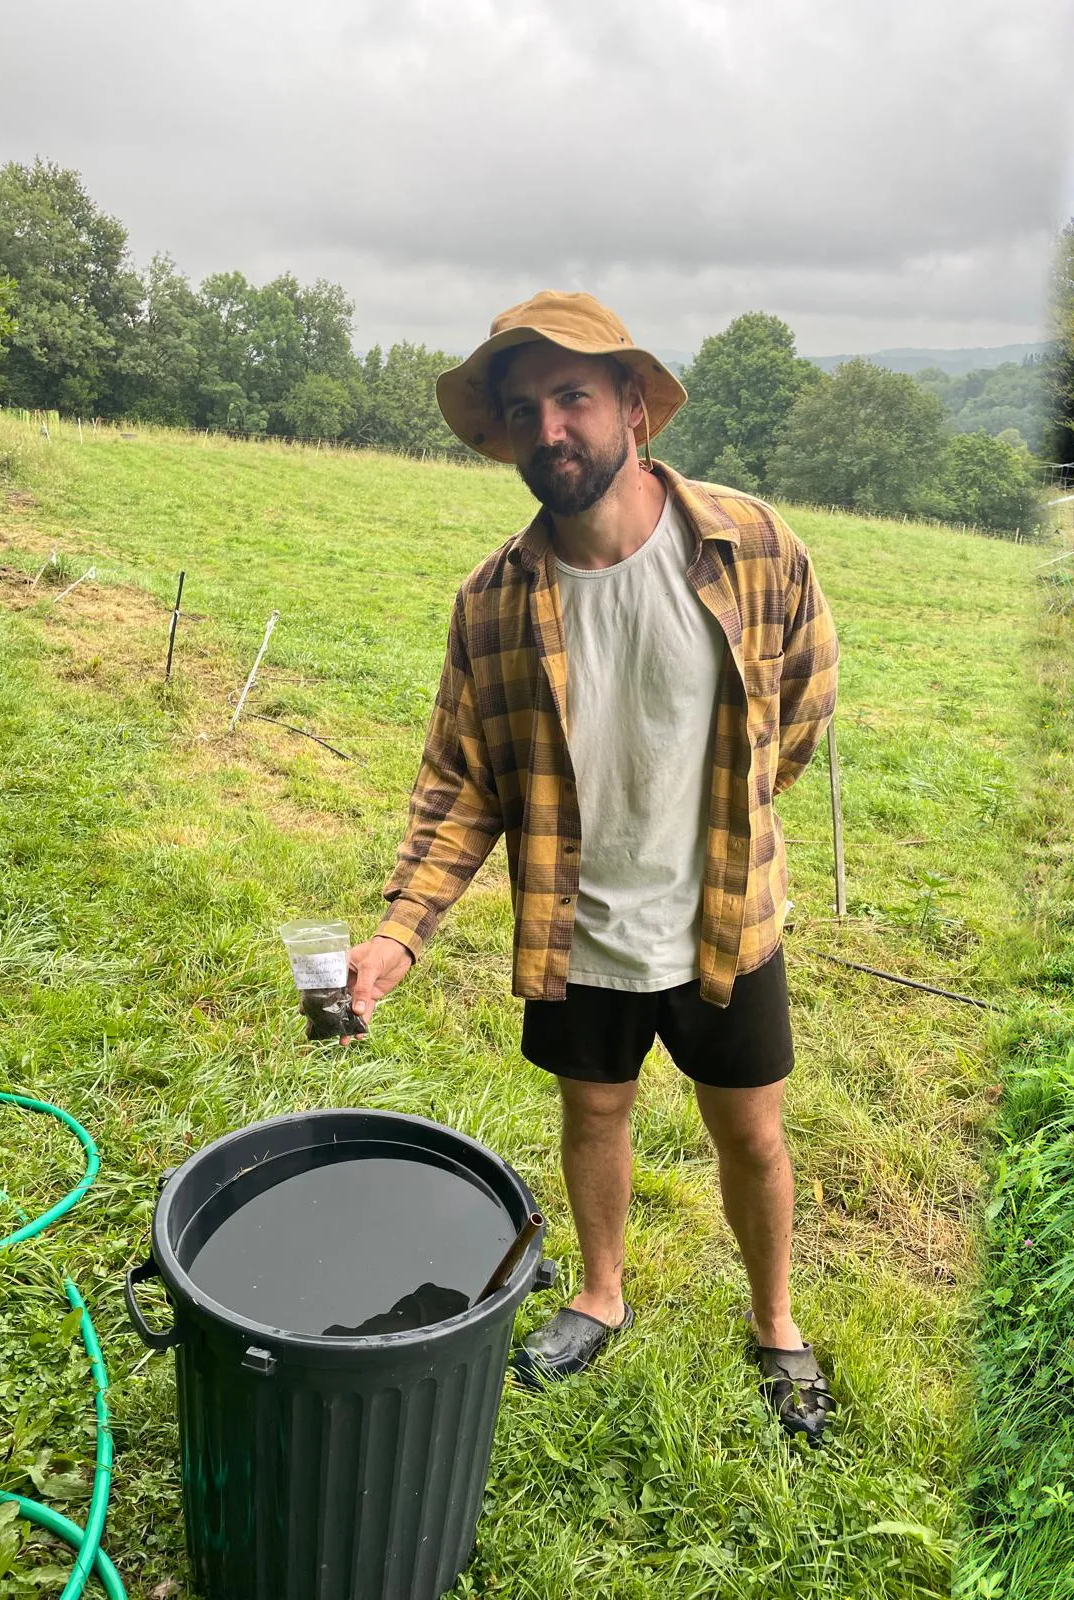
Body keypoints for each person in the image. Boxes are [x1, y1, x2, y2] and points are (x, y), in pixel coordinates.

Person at [342, 290, 841, 1437]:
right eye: (523, 412)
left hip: (726, 920)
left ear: (632, 405)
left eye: (572, 398)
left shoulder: (751, 546)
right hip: (578, 930)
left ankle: (776, 1323)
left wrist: (740, 818)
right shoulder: (494, 603)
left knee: (753, 1132)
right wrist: (399, 931)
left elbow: (802, 702)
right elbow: (462, 779)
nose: (549, 430)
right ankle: (601, 1295)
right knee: (594, 1115)